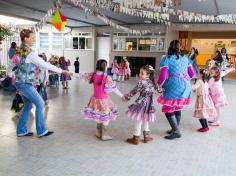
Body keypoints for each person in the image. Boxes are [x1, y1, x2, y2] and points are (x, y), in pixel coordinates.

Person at [14, 29, 70, 137]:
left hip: (20, 82)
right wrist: (62, 71)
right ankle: (41, 130)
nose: (34, 40)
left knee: (28, 105)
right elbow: (45, 65)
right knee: (40, 103)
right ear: (25, 38)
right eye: (32, 38)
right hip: (25, 84)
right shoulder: (30, 53)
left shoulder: (19, 49)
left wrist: (9, 72)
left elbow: (13, 63)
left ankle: (21, 130)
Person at [73, 59, 124, 141]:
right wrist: (122, 96)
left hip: (95, 99)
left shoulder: (93, 75)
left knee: (99, 115)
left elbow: (80, 75)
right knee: (105, 117)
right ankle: (104, 135)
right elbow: (114, 89)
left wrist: (69, 73)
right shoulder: (106, 77)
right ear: (104, 67)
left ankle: (98, 132)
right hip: (104, 100)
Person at [157, 40, 195, 140]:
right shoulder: (185, 58)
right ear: (179, 47)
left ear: (170, 47)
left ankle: (176, 131)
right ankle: (175, 128)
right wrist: (183, 77)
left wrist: (158, 85)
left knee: (168, 108)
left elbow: (163, 75)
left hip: (173, 84)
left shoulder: (166, 58)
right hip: (185, 84)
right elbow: (192, 74)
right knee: (177, 107)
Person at [124, 65, 156, 145]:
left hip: (142, 104)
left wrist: (127, 97)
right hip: (149, 104)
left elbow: (134, 91)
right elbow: (159, 89)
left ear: (148, 75)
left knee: (139, 120)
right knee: (146, 119)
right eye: (140, 73)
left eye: (142, 73)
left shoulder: (141, 82)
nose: (140, 75)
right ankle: (146, 137)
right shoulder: (152, 82)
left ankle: (136, 138)